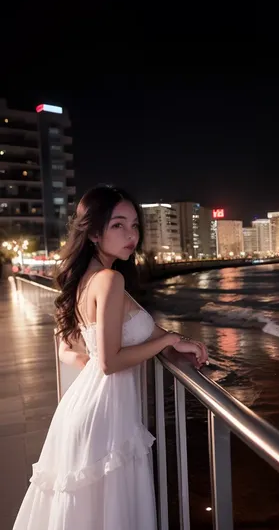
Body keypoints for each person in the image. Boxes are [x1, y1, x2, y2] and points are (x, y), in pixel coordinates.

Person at [13, 185, 208, 530]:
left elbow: (68, 350)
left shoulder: (84, 279)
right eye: (118, 225)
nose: (131, 234)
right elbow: (110, 361)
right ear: (93, 231)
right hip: (106, 417)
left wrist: (163, 340)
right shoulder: (109, 279)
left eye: (134, 225)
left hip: (87, 408)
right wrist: (171, 339)